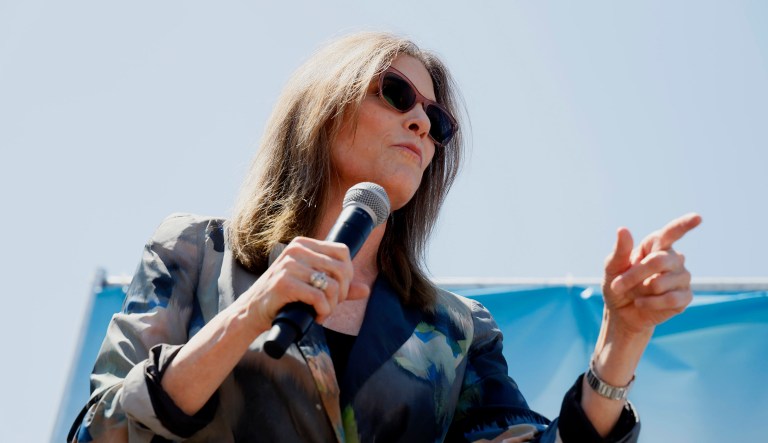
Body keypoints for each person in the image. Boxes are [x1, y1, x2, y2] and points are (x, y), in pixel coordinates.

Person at [70, 32, 701, 442]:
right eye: (395, 93)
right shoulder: (195, 252)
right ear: (321, 110)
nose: (421, 120)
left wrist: (621, 341)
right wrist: (250, 312)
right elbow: (103, 430)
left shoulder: (457, 331)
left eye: (438, 119)